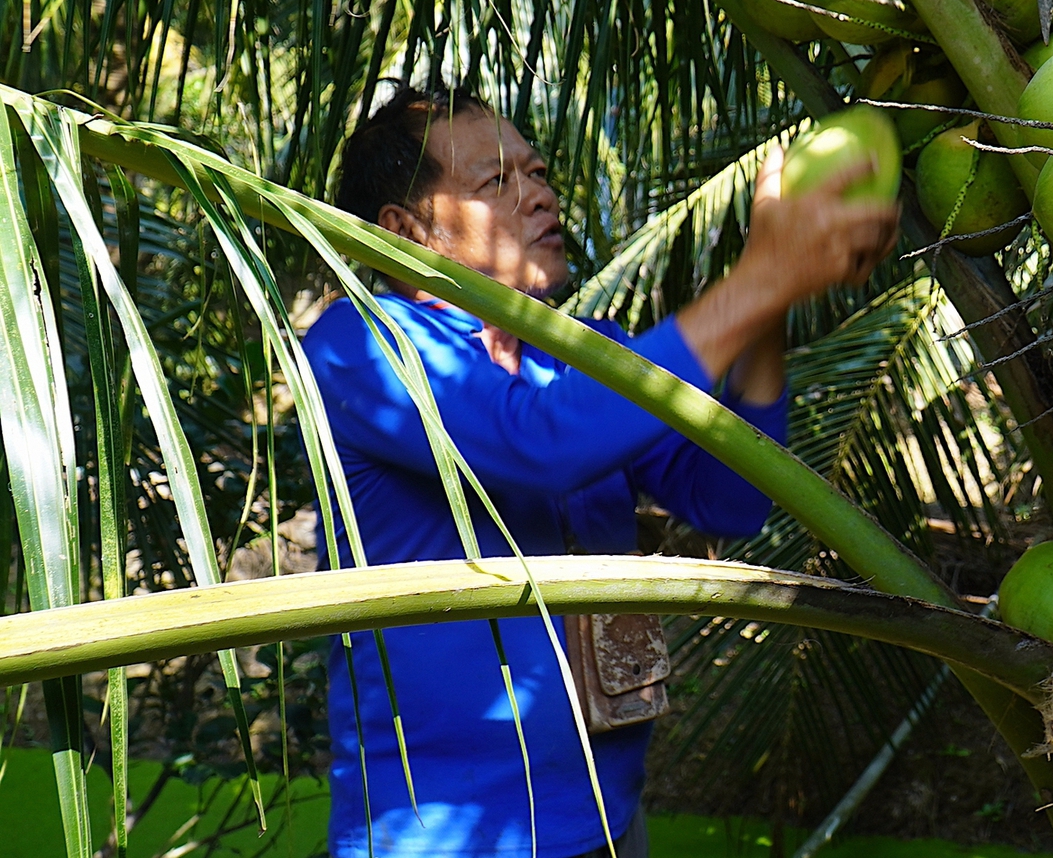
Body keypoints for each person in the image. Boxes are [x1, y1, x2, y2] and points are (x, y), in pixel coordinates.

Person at [303, 85, 899, 858]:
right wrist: (764, 276)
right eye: (497, 182)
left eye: (538, 170)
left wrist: (770, 305)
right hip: (438, 840)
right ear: (409, 232)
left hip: (608, 824)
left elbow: (733, 497)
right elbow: (544, 444)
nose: (541, 194)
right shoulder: (362, 344)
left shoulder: (577, 349)